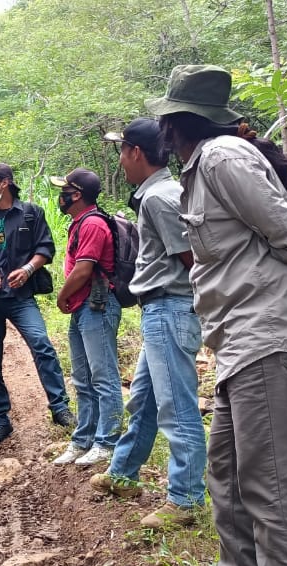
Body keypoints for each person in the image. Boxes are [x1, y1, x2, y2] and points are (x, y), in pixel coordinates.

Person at [147, 64, 287, 566]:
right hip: (243, 344)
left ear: (177, 122)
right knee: (226, 476)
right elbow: (251, 263)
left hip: (260, 343)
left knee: (270, 488)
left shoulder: (223, 157)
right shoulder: (203, 166)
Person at [87, 118, 205, 528]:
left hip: (171, 308)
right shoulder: (160, 194)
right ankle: (123, 473)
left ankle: (186, 499)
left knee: (177, 406)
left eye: (122, 152)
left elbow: (193, 260)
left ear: (136, 152)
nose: (120, 160)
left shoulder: (160, 198)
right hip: (161, 310)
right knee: (147, 398)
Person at [0, 163, 73, 447]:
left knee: (41, 344)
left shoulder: (30, 213)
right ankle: (0, 419)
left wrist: (27, 269)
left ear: (6, 183)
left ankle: (59, 407)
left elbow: (45, 248)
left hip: (21, 297)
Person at [50, 168, 124, 467]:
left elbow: (83, 269)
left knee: (104, 377)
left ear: (76, 194)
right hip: (84, 308)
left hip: (98, 306)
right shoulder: (79, 223)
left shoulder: (92, 223)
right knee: (82, 378)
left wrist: (61, 295)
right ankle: (83, 439)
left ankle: (107, 443)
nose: (60, 197)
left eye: (64, 191)